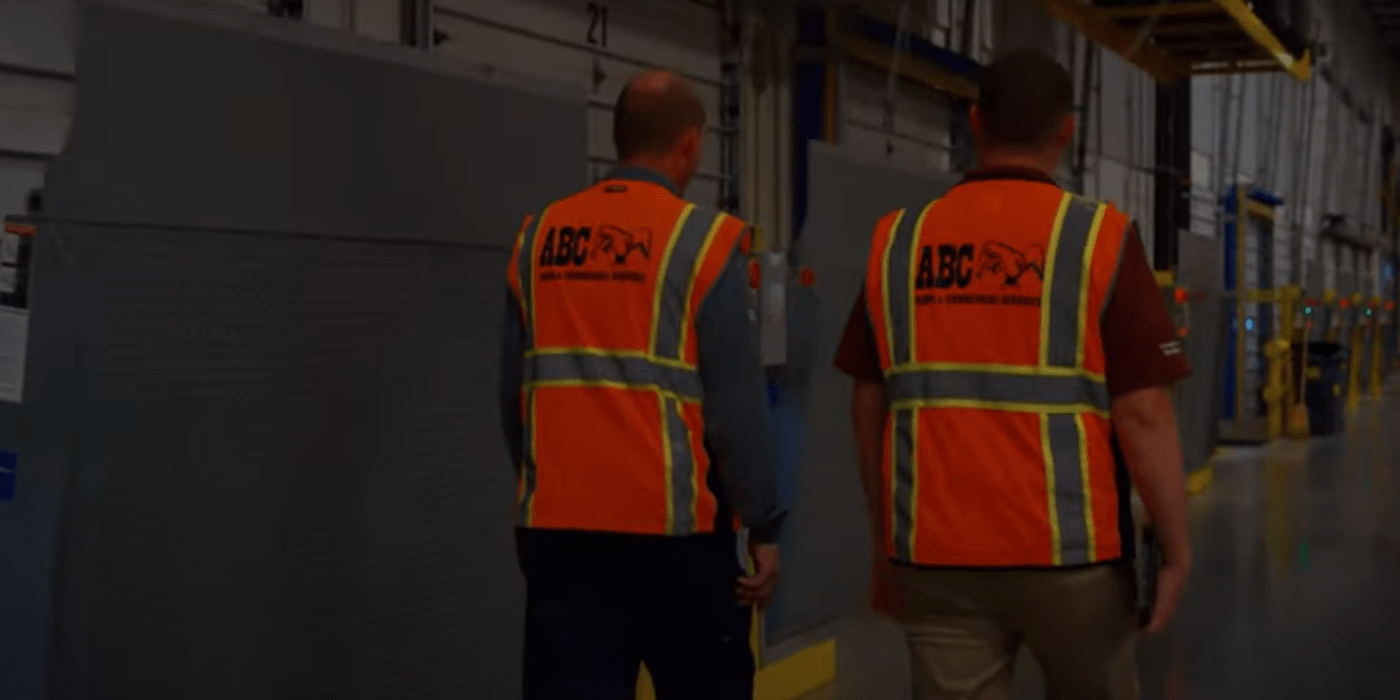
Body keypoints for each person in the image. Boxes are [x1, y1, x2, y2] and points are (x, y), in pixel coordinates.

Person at [833, 50, 1192, 700]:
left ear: (974, 121)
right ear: (1066, 132)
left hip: (939, 557)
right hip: (1075, 557)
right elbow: (1144, 414)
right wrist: (1175, 548)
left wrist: (886, 538)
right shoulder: (1100, 239)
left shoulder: (900, 241)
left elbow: (868, 405)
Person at [499, 69, 785, 700]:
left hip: (559, 539)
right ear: (688, 145)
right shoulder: (702, 245)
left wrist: (542, 484)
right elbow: (736, 413)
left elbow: (512, 397)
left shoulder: (538, 237)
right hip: (676, 544)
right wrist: (763, 527)